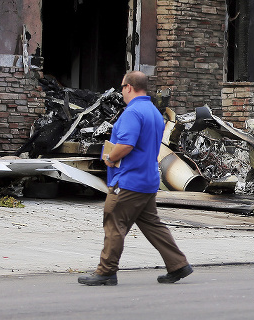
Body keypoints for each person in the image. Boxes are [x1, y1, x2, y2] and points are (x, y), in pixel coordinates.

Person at [78, 71, 193, 286]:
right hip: (148, 179)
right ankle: (178, 264)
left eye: (122, 87)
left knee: (114, 222)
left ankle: (106, 272)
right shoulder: (154, 113)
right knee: (152, 225)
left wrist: (110, 158)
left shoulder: (132, 113)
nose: (121, 92)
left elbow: (127, 145)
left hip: (129, 181)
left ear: (129, 87)